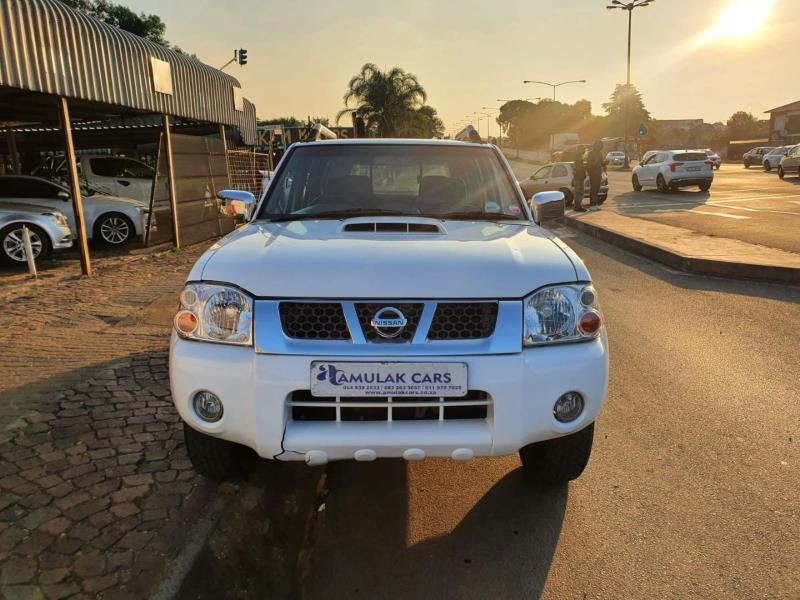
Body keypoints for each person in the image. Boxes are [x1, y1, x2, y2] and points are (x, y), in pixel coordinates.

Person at [586, 140, 606, 211]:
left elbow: (601, 163)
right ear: (595, 145)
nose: (600, 146)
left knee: (597, 189)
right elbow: (588, 164)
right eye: (599, 144)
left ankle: (595, 204)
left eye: (601, 145)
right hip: (593, 173)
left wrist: (605, 163)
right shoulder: (590, 153)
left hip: (598, 173)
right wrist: (594, 163)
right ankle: (592, 205)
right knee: (593, 189)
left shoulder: (600, 153)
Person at [571, 146, 587, 212]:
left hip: (579, 178)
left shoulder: (579, 157)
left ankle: (578, 206)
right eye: (583, 149)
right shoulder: (578, 157)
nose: (584, 150)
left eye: (584, 149)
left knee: (580, 193)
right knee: (579, 193)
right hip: (578, 178)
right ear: (579, 150)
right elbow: (577, 168)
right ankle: (577, 207)